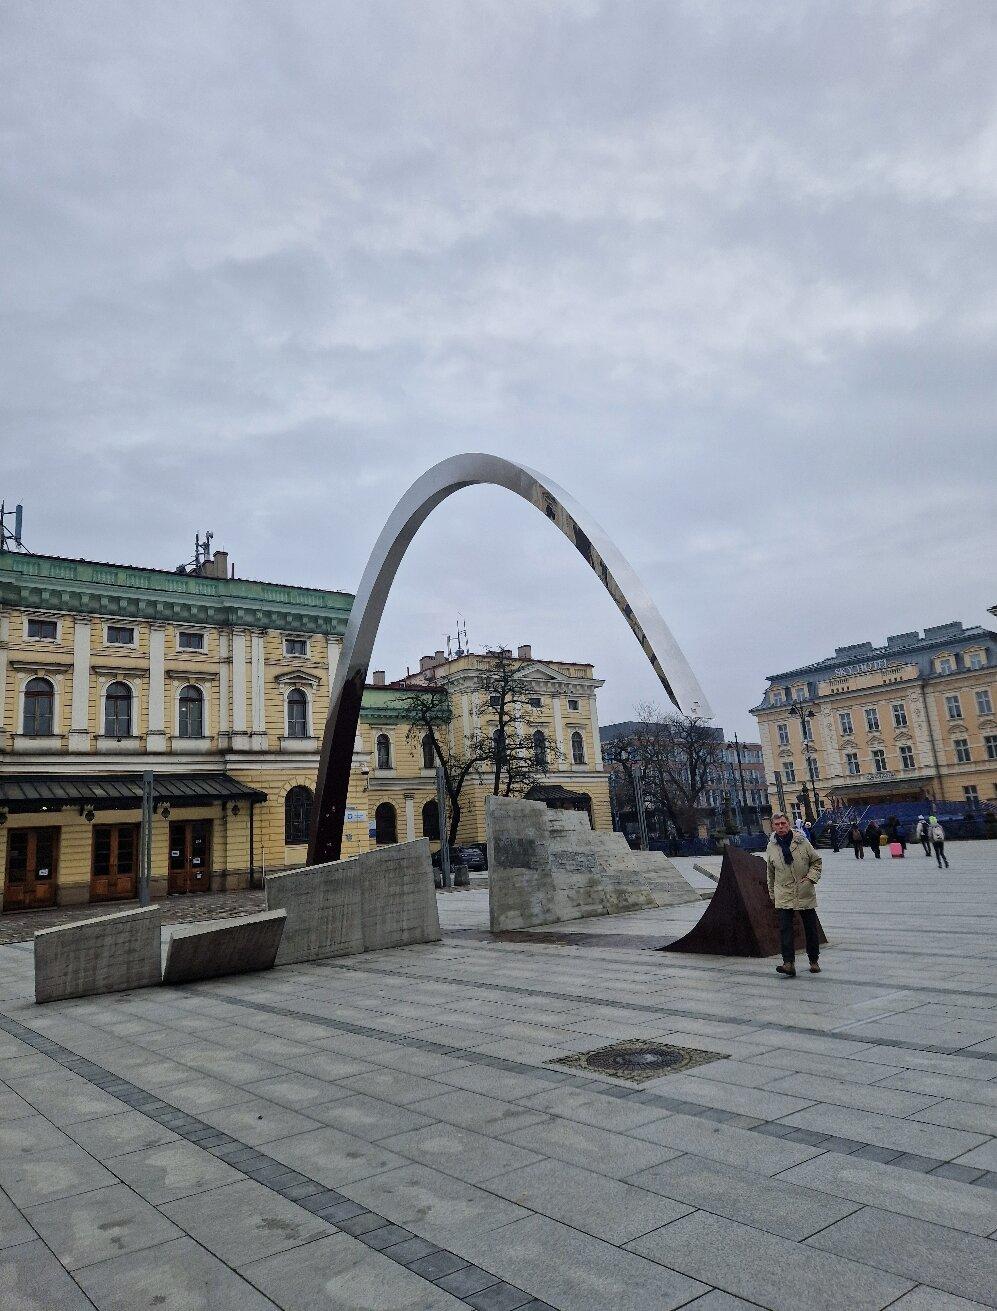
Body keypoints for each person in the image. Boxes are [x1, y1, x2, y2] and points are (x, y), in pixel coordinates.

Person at [766, 812, 823, 978]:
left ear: (788, 823)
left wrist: (811, 878)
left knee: (810, 928)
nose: (781, 827)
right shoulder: (771, 846)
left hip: (804, 890)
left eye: (783, 823)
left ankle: (813, 960)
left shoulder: (802, 841)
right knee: (785, 929)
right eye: (777, 824)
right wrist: (772, 894)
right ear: (773, 827)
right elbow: (770, 873)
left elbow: (816, 862)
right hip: (783, 892)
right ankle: (788, 963)